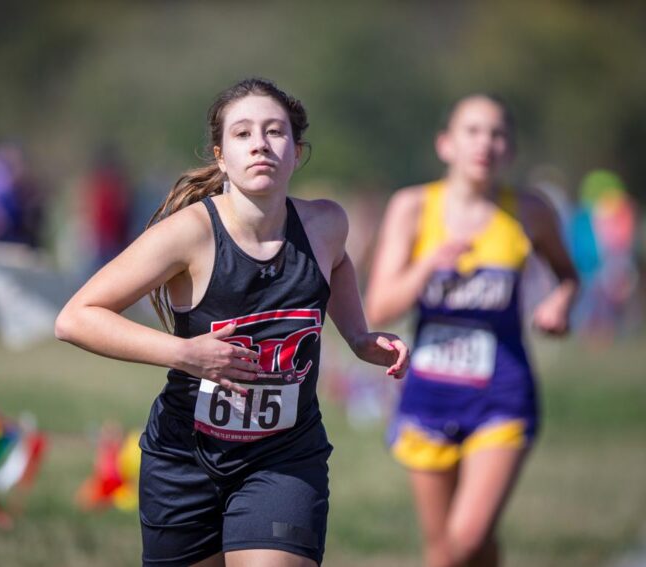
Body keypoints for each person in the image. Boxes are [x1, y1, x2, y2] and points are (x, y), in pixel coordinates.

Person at [55, 77, 410, 567]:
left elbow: (341, 263)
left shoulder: (326, 224)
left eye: (275, 132)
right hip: (184, 457)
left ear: (297, 151)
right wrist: (185, 353)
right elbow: (76, 317)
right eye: (243, 134)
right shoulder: (188, 234)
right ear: (221, 155)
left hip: (285, 455)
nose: (260, 143)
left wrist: (357, 335)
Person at [364, 94, 578, 567]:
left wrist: (560, 303)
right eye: (473, 131)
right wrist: (427, 266)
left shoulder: (529, 210)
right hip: (427, 394)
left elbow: (568, 275)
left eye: (498, 134)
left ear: (511, 150)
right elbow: (380, 305)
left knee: (459, 543)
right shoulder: (413, 207)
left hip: (502, 394)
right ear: (446, 144)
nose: (486, 143)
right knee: (459, 549)